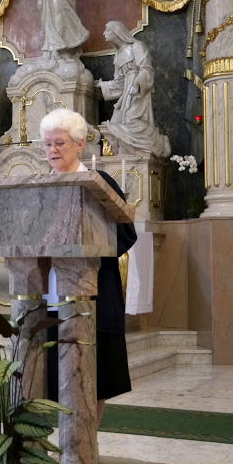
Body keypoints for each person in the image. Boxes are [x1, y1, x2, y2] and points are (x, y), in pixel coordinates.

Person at [39, 108, 137, 425]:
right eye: (48, 144)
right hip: (50, 292)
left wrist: (88, 250)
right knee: (53, 372)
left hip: (95, 290)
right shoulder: (37, 186)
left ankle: (86, 440)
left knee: (96, 375)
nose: (53, 150)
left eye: (60, 143)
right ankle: (64, 439)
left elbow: (126, 232)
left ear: (80, 144)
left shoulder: (99, 183)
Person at [96, 21, 170, 158]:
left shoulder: (137, 46)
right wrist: (103, 85)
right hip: (126, 93)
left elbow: (146, 69)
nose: (104, 33)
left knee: (131, 121)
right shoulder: (118, 55)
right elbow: (119, 82)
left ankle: (151, 144)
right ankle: (125, 154)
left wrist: (137, 83)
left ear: (117, 31)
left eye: (107, 30)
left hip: (138, 91)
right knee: (115, 124)